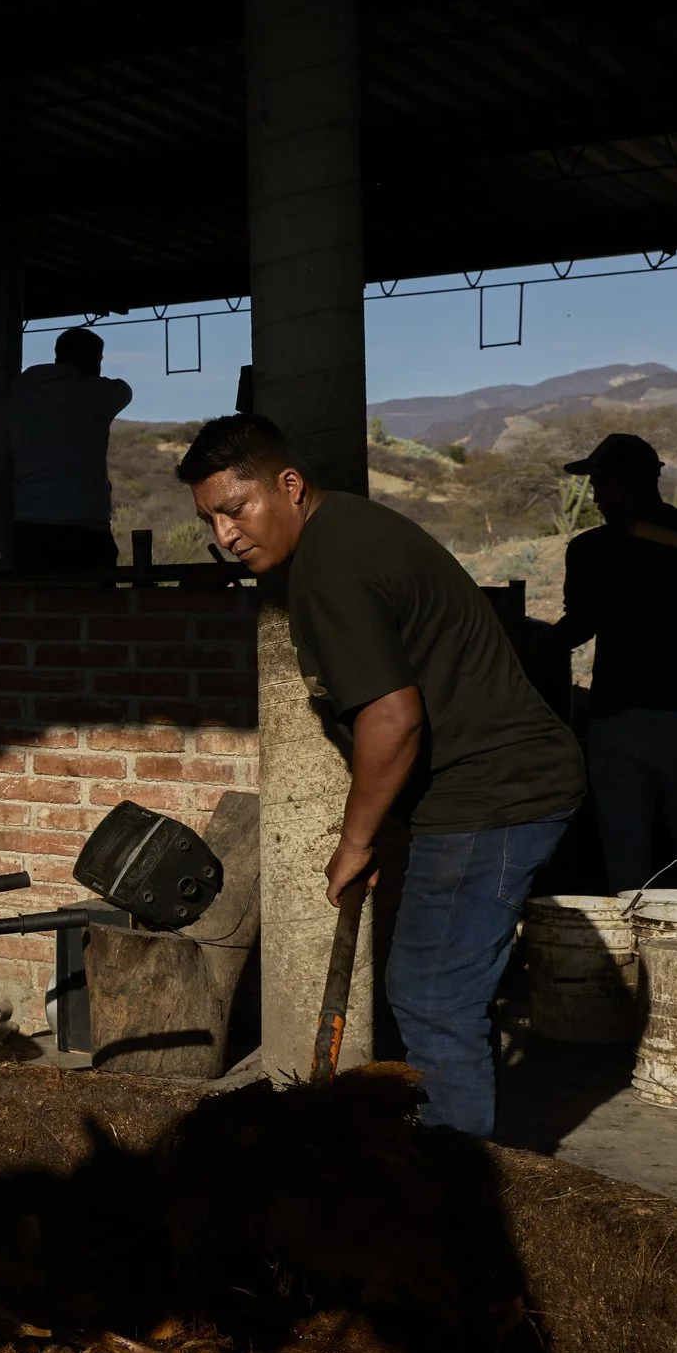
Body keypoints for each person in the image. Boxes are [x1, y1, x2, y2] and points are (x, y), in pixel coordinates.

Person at [179, 414, 584, 1137]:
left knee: (431, 996)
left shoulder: (334, 564)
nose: (225, 535)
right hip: (489, 789)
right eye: (211, 519)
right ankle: (466, 1153)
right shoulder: (343, 538)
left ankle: (451, 1194)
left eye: (236, 509)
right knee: (444, 994)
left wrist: (357, 841)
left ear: (290, 485)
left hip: (494, 793)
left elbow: (393, 719)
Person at [547, 432, 677, 890]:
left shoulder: (591, 550)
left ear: (617, 483)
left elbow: (578, 626)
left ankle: (632, 948)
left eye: (599, 485)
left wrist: (525, 644)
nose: (597, 497)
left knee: (624, 845)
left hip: (618, 721)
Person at [0, 327, 131, 572]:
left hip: (32, 526)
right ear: (92, 361)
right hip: (89, 525)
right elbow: (124, 390)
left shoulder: (17, 400)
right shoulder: (98, 395)